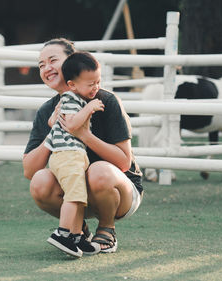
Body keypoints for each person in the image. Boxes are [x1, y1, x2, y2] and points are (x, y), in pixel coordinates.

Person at [23, 38, 143, 254]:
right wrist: (56, 129)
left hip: (119, 192)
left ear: (71, 61)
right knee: (40, 182)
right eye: (41, 65)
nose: (47, 68)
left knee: (97, 171)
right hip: (76, 191)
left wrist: (83, 134)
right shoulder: (46, 111)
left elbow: (124, 162)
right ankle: (77, 231)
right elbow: (30, 170)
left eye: (53, 60)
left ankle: (107, 229)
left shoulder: (104, 101)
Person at [45, 51, 104, 257]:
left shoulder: (71, 99)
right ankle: (62, 233)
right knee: (74, 196)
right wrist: (89, 109)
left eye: (97, 81)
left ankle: (77, 236)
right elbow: (71, 125)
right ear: (72, 84)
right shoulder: (71, 98)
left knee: (80, 196)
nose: (96, 87)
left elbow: (53, 123)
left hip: (73, 155)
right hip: (68, 155)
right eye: (90, 84)